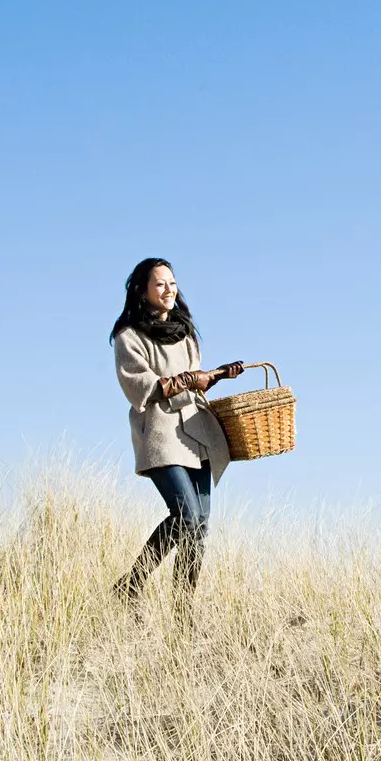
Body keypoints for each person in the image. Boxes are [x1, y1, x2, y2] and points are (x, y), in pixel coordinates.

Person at [109, 258, 244, 618]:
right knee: (185, 515)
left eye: (172, 283)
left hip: (197, 433)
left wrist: (216, 375)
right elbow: (141, 387)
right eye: (160, 285)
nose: (169, 290)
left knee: (199, 527)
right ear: (142, 291)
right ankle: (132, 583)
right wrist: (190, 379)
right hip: (160, 434)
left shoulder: (185, 331)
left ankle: (183, 614)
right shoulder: (128, 336)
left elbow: (195, 380)